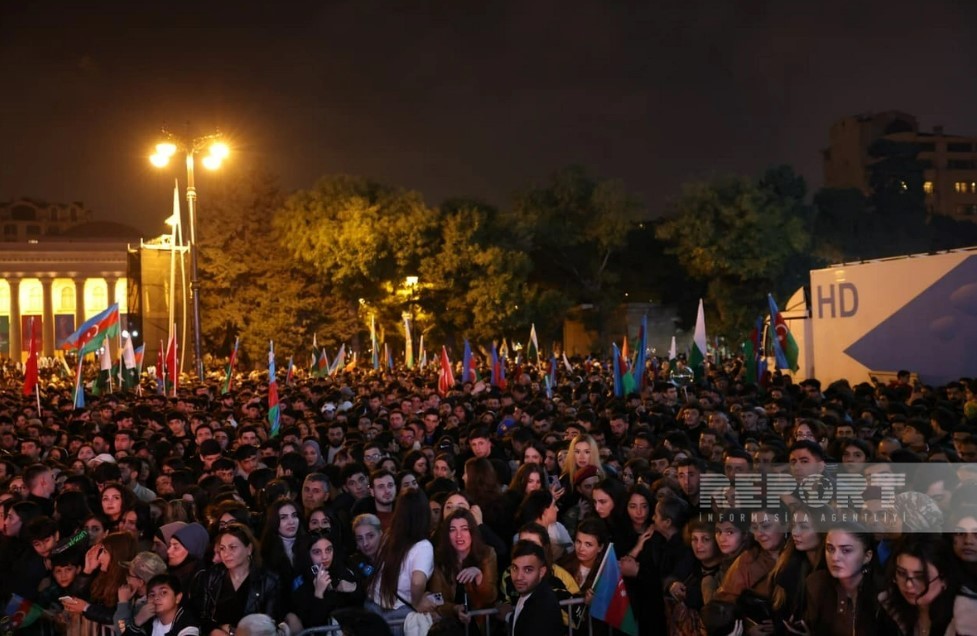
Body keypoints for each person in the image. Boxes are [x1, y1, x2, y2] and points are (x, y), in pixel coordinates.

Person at [191, 522, 282, 636]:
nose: (226, 554)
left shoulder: (269, 580)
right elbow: (202, 616)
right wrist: (216, 631)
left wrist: (232, 631)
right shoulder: (212, 575)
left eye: (232, 547)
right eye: (222, 548)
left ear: (249, 549)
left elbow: (270, 625)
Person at [365, 490, 435, 634]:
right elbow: (417, 581)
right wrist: (417, 603)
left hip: (373, 607)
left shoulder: (388, 536)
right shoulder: (423, 546)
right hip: (398, 616)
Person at [802, 521, 879, 636]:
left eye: (846, 550)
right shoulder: (817, 583)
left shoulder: (881, 591)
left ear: (867, 556)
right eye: (830, 549)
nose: (835, 557)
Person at [428, 508, 498, 630]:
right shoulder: (439, 559)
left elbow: (490, 598)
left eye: (464, 529)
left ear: (473, 532)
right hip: (450, 626)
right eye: (452, 530)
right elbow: (437, 599)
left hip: (480, 625)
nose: (459, 535)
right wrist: (454, 609)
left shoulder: (487, 554)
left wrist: (479, 577)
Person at [877, 535, 958, 636]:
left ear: (944, 579)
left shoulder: (962, 619)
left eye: (920, 577)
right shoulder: (890, 608)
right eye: (901, 573)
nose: (908, 584)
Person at [287, 529, 364, 631]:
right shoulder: (300, 581)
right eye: (317, 552)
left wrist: (353, 589)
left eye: (328, 550)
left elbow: (360, 605)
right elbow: (312, 624)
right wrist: (319, 593)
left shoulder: (341, 569)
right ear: (307, 554)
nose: (325, 557)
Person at [503, 540, 563, 636]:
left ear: (542, 572)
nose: (519, 577)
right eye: (515, 568)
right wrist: (508, 616)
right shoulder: (530, 594)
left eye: (528, 570)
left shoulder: (543, 607)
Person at [127, 574, 201, 636]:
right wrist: (136, 623)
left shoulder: (187, 622)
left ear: (178, 598)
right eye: (152, 595)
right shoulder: (147, 620)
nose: (156, 598)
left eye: (163, 592)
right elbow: (121, 628)